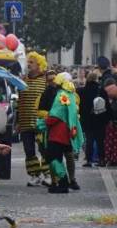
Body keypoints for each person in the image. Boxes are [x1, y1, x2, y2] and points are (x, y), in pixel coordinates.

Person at [43, 73, 84, 193]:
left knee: (53, 158)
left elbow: (56, 115)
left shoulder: (61, 95)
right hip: (68, 133)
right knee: (61, 157)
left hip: (57, 133)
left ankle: (63, 183)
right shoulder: (71, 95)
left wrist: (44, 121)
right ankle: (65, 182)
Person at [18, 51, 50, 186]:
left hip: (41, 122)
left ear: (39, 65)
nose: (28, 64)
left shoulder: (45, 81)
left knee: (44, 148)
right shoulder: (22, 81)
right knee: (29, 150)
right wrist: (17, 121)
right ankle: (35, 175)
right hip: (25, 121)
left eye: (32, 62)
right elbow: (19, 102)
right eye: (28, 62)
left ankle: (48, 174)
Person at [80, 71, 108, 167]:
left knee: (89, 140)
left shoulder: (82, 91)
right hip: (100, 120)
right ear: (96, 79)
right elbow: (107, 105)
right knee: (100, 141)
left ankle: (88, 160)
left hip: (88, 120)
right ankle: (101, 160)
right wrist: (108, 119)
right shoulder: (101, 90)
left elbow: (80, 106)